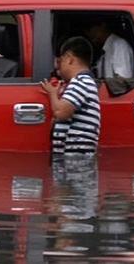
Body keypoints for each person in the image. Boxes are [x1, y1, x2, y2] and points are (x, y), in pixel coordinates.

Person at [40, 36, 101, 180]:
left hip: (75, 158)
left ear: (69, 58)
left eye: (60, 61)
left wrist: (52, 94)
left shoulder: (80, 82)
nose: (58, 68)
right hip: (75, 157)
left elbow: (62, 112)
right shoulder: (84, 82)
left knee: (72, 195)